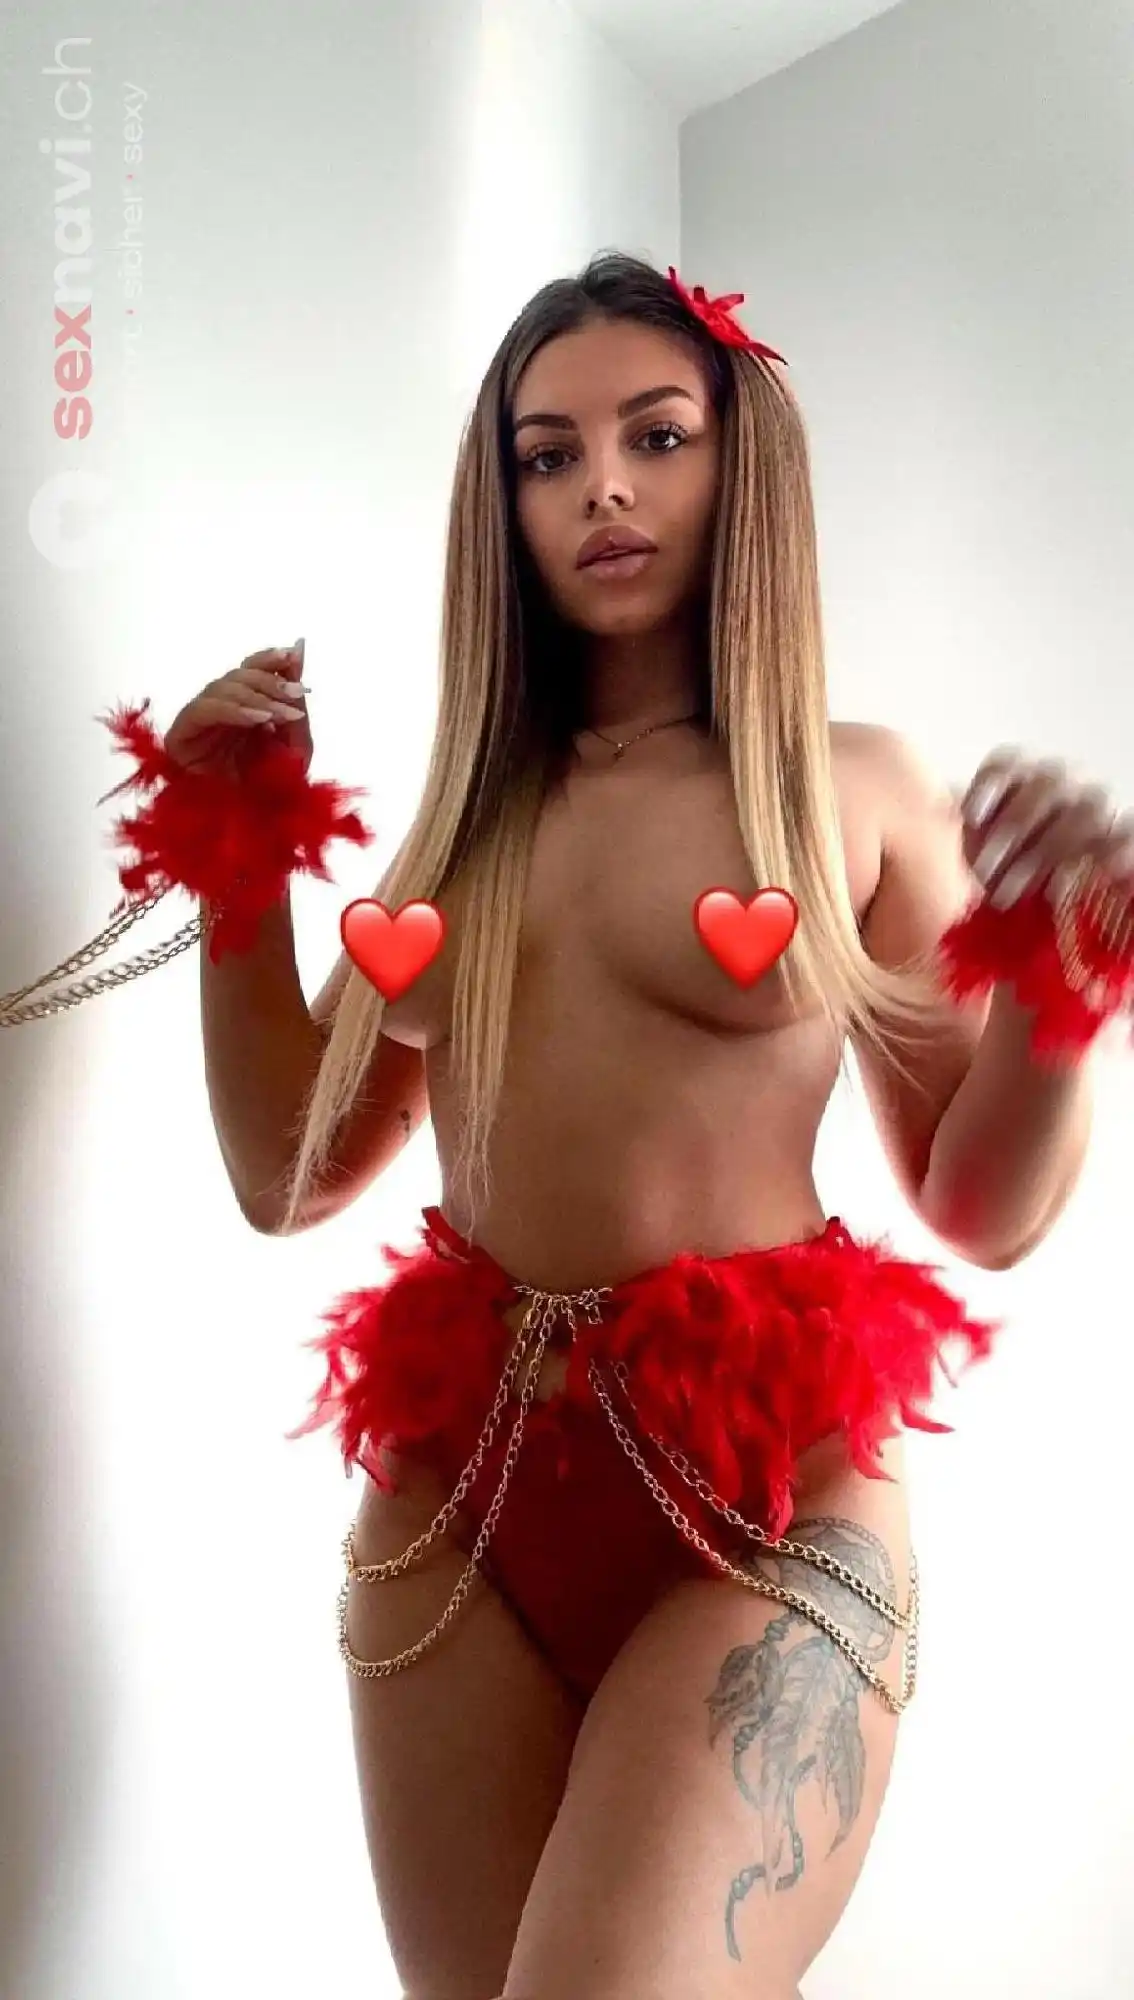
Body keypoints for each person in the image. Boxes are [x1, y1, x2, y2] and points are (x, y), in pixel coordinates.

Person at [165, 254, 1132, 2000]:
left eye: (655, 436)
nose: (600, 486)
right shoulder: (460, 832)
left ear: (741, 461)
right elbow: (280, 1174)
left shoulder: (850, 787)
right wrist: (236, 862)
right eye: (546, 455)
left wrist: (1062, 995)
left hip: (770, 1497)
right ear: (502, 506)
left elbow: (976, 1207)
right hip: (457, 1497)